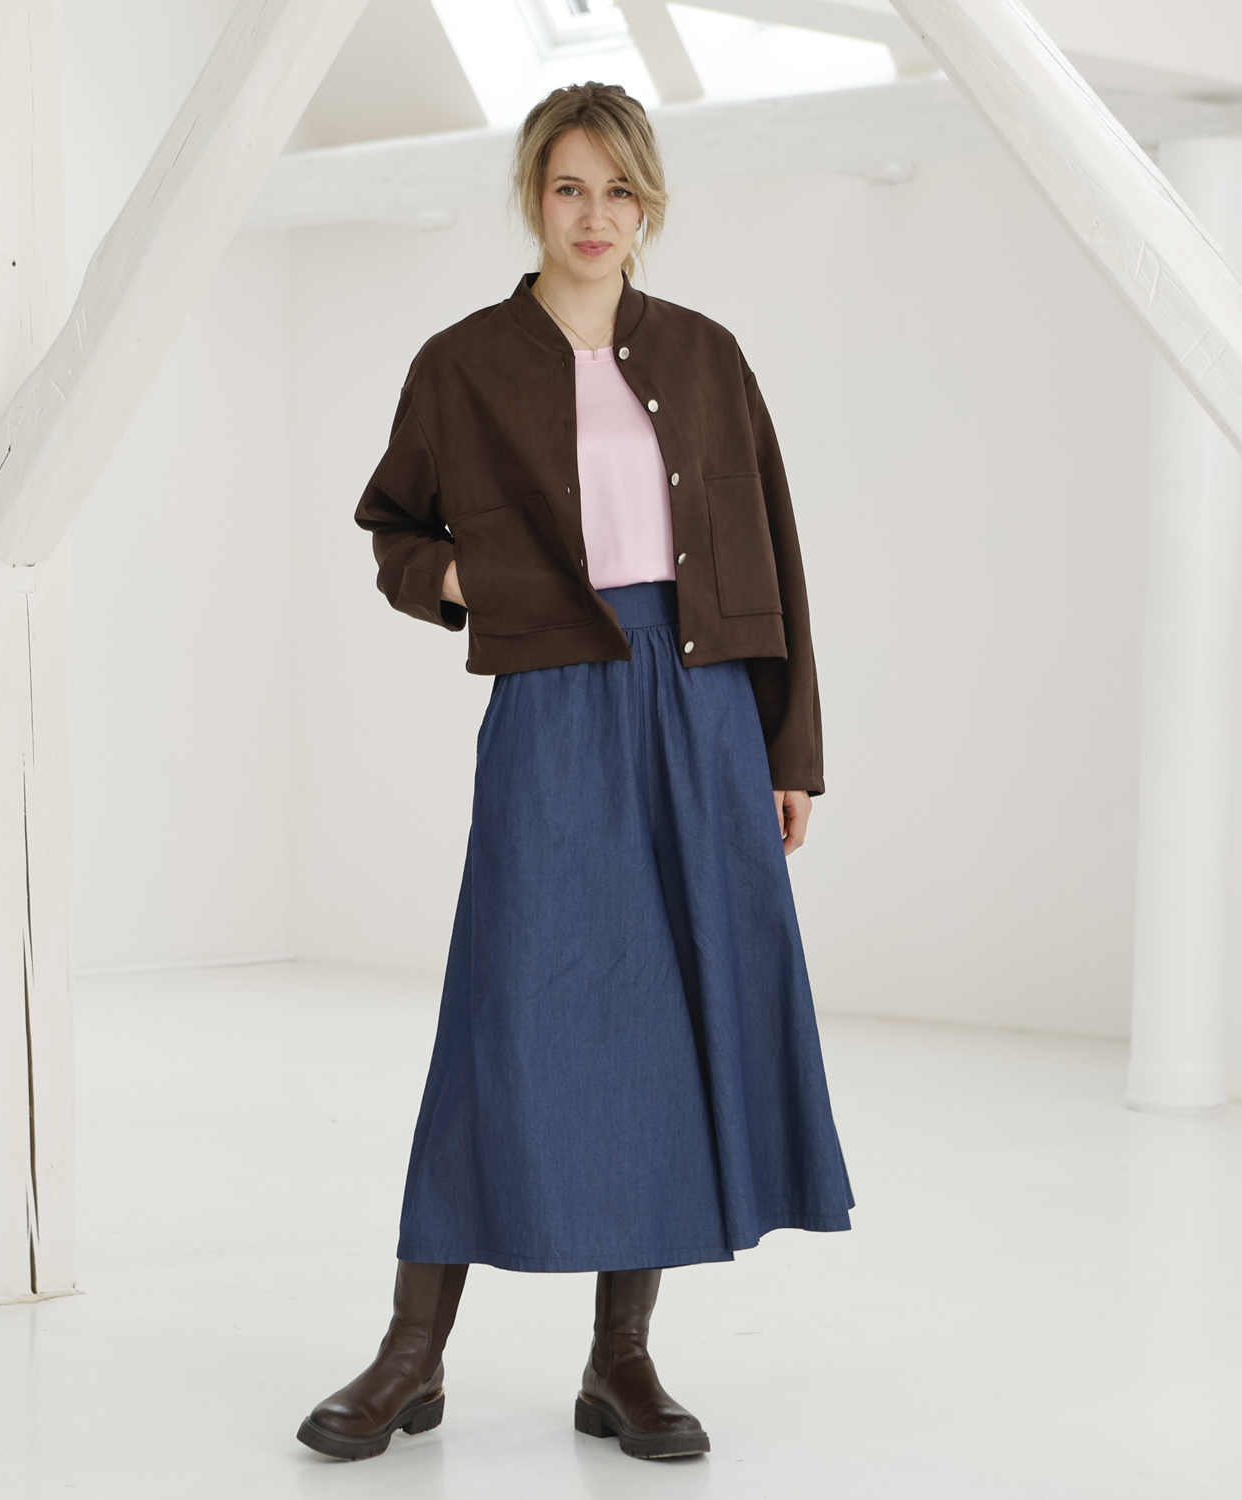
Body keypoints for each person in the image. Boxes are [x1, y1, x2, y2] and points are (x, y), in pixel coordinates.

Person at [296, 80, 854, 1465]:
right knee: (503, 1013)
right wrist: (461, 581)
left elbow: (777, 556)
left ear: (648, 204)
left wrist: (786, 749)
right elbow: (392, 529)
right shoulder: (462, 363)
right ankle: (411, 1354)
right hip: (553, 699)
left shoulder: (708, 357)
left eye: (618, 190)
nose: (593, 216)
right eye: (567, 188)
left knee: (667, 1020)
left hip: (704, 702)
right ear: (533, 200)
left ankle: (622, 1360)